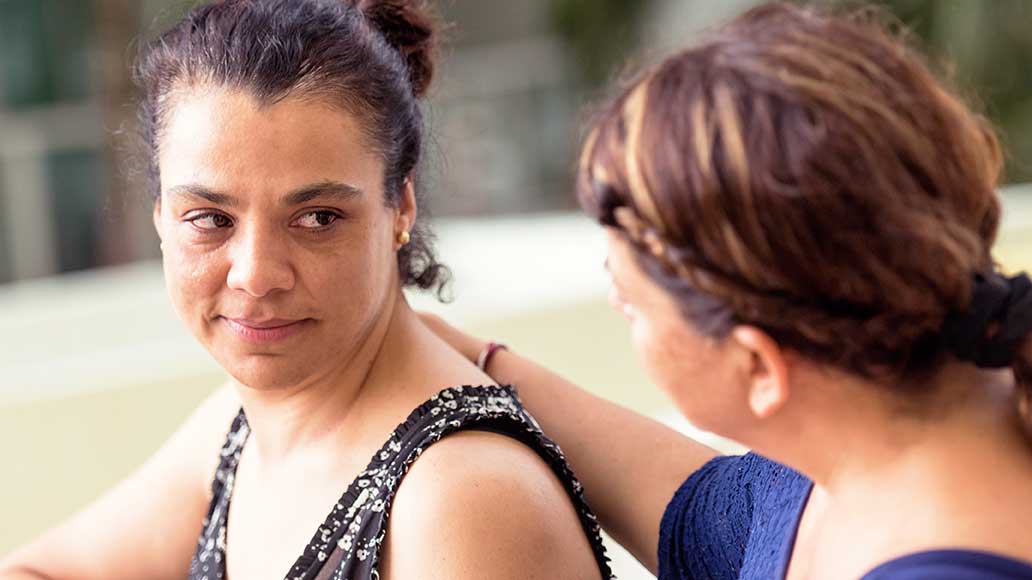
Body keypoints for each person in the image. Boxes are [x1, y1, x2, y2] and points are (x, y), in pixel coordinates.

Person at [0, 1, 610, 579]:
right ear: (161, 217)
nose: (256, 274)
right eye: (210, 219)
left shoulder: (462, 500)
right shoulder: (247, 426)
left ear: (399, 205)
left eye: (317, 218)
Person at [423, 2, 1032, 579]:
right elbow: (713, 523)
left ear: (758, 366)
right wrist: (467, 359)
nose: (615, 306)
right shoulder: (874, 434)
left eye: (632, 303)